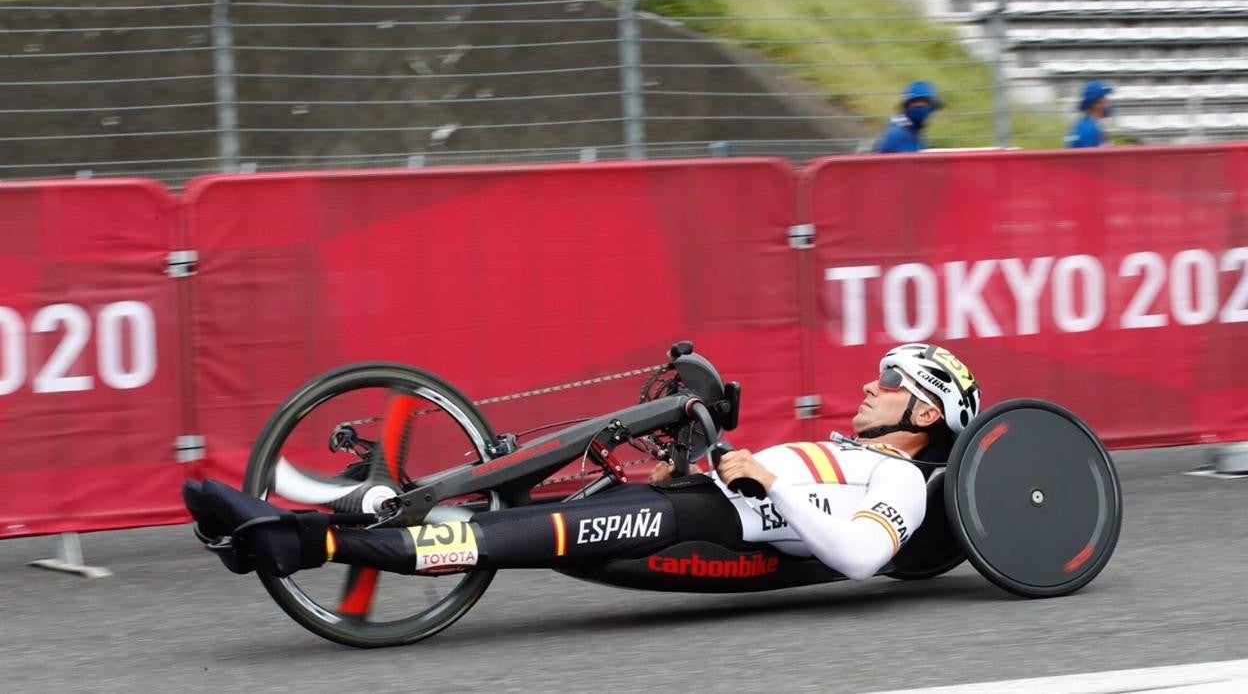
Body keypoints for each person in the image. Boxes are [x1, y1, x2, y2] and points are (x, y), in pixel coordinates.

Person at [184, 343, 981, 583]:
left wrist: (768, 479)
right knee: (508, 506)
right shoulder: (849, 451)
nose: (868, 387)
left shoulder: (902, 481)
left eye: (889, 384)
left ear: (924, 412)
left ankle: (295, 541)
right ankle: (304, 519)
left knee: (501, 540)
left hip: (701, 526)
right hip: (692, 496)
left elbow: (861, 555)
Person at [873, 81, 943, 153]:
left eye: (927, 105)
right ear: (907, 105)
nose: (925, 109)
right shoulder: (899, 134)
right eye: (918, 103)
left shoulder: (911, 130)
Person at [1065, 80, 1113, 148]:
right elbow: (1090, 157)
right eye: (1105, 98)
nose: (1109, 101)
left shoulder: (1082, 126)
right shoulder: (1089, 131)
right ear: (1097, 104)